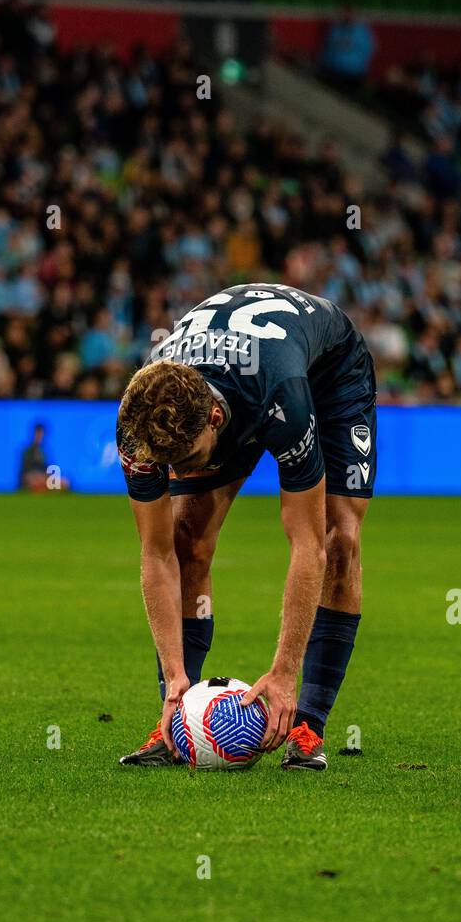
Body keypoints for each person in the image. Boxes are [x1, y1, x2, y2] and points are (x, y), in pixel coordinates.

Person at [116, 282, 377, 772]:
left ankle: (307, 726)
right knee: (185, 536)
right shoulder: (140, 424)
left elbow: (306, 546)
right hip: (239, 378)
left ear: (214, 418)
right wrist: (172, 674)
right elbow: (156, 555)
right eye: (170, 465)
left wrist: (283, 672)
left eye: (188, 460)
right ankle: (175, 714)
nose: (182, 475)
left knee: (337, 539)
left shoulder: (281, 397)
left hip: (325, 370)